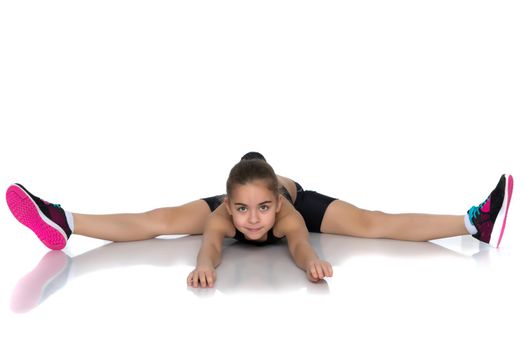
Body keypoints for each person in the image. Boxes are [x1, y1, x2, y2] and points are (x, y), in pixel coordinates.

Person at [5, 152, 514, 288]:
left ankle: (475, 222)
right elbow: (207, 244)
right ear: (227, 205)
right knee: (158, 217)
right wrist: (207, 267)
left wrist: (312, 261)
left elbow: (297, 246)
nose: (253, 221)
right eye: (243, 209)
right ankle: (64, 218)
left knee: (371, 220)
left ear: (276, 203)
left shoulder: (289, 210)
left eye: (262, 209)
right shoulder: (224, 216)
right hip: (237, 191)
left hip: (294, 190)